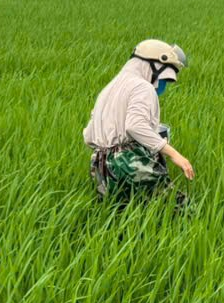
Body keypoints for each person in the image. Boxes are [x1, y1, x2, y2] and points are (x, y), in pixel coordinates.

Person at [83, 40, 195, 201]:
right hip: (129, 161)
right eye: (165, 77)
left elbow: (88, 135)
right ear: (154, 65)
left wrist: (109, 152)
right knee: (178, 208)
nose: (163, 83)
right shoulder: (143, 87)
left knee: (118, 210)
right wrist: (174, 154)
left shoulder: (109, 89)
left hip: (100, 165)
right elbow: (135, 126)